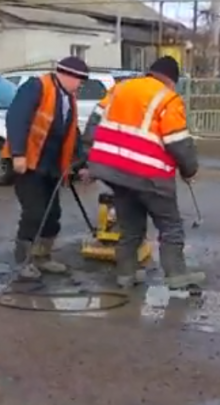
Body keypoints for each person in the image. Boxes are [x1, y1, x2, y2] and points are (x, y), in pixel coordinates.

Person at [83, 56, 204, 290]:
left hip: (115, 172)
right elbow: (177, 142)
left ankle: (125, 275)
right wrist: (189, 170)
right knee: (170, 226)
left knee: (130, 226)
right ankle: (176, 274)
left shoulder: (119, 89)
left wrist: (87, 160)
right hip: (149, 174)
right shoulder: (168, 98)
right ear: (171, 80)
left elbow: (92, 126)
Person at [2, 56, 91, 282]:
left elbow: (72, 134)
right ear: (67, 75)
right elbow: (16, 119)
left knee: (53, 214)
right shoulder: (36, 87)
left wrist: (80, 164)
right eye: (81, 80)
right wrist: (18, 154)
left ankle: (42, 256)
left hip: (50, 165)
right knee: (34, 212)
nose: (82, 85)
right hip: (29, 162)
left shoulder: (68, 98)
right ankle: (24, 261)